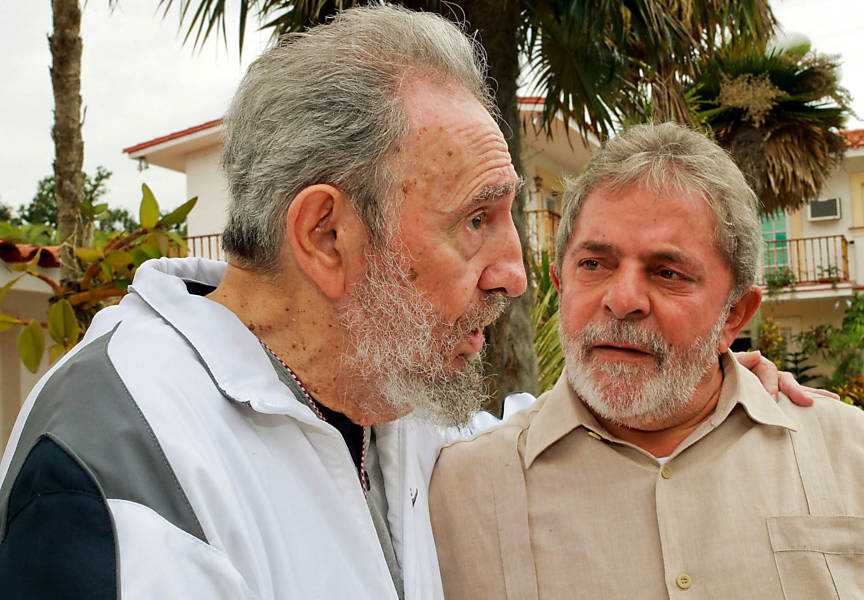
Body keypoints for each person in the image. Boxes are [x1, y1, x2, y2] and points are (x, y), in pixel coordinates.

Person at [0, 7, 812, 599]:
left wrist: (707, 382)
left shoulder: (387, 401)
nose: (515, 272)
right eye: (476, 220)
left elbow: (531, 438)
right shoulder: (120, 467)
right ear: (325, 235)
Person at [429, 122, 864, 599]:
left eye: (668, 273)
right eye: (595, 263)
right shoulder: (459, 492)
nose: (623, 300)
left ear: (735, 315)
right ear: (561, 281)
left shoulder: (861, 461)